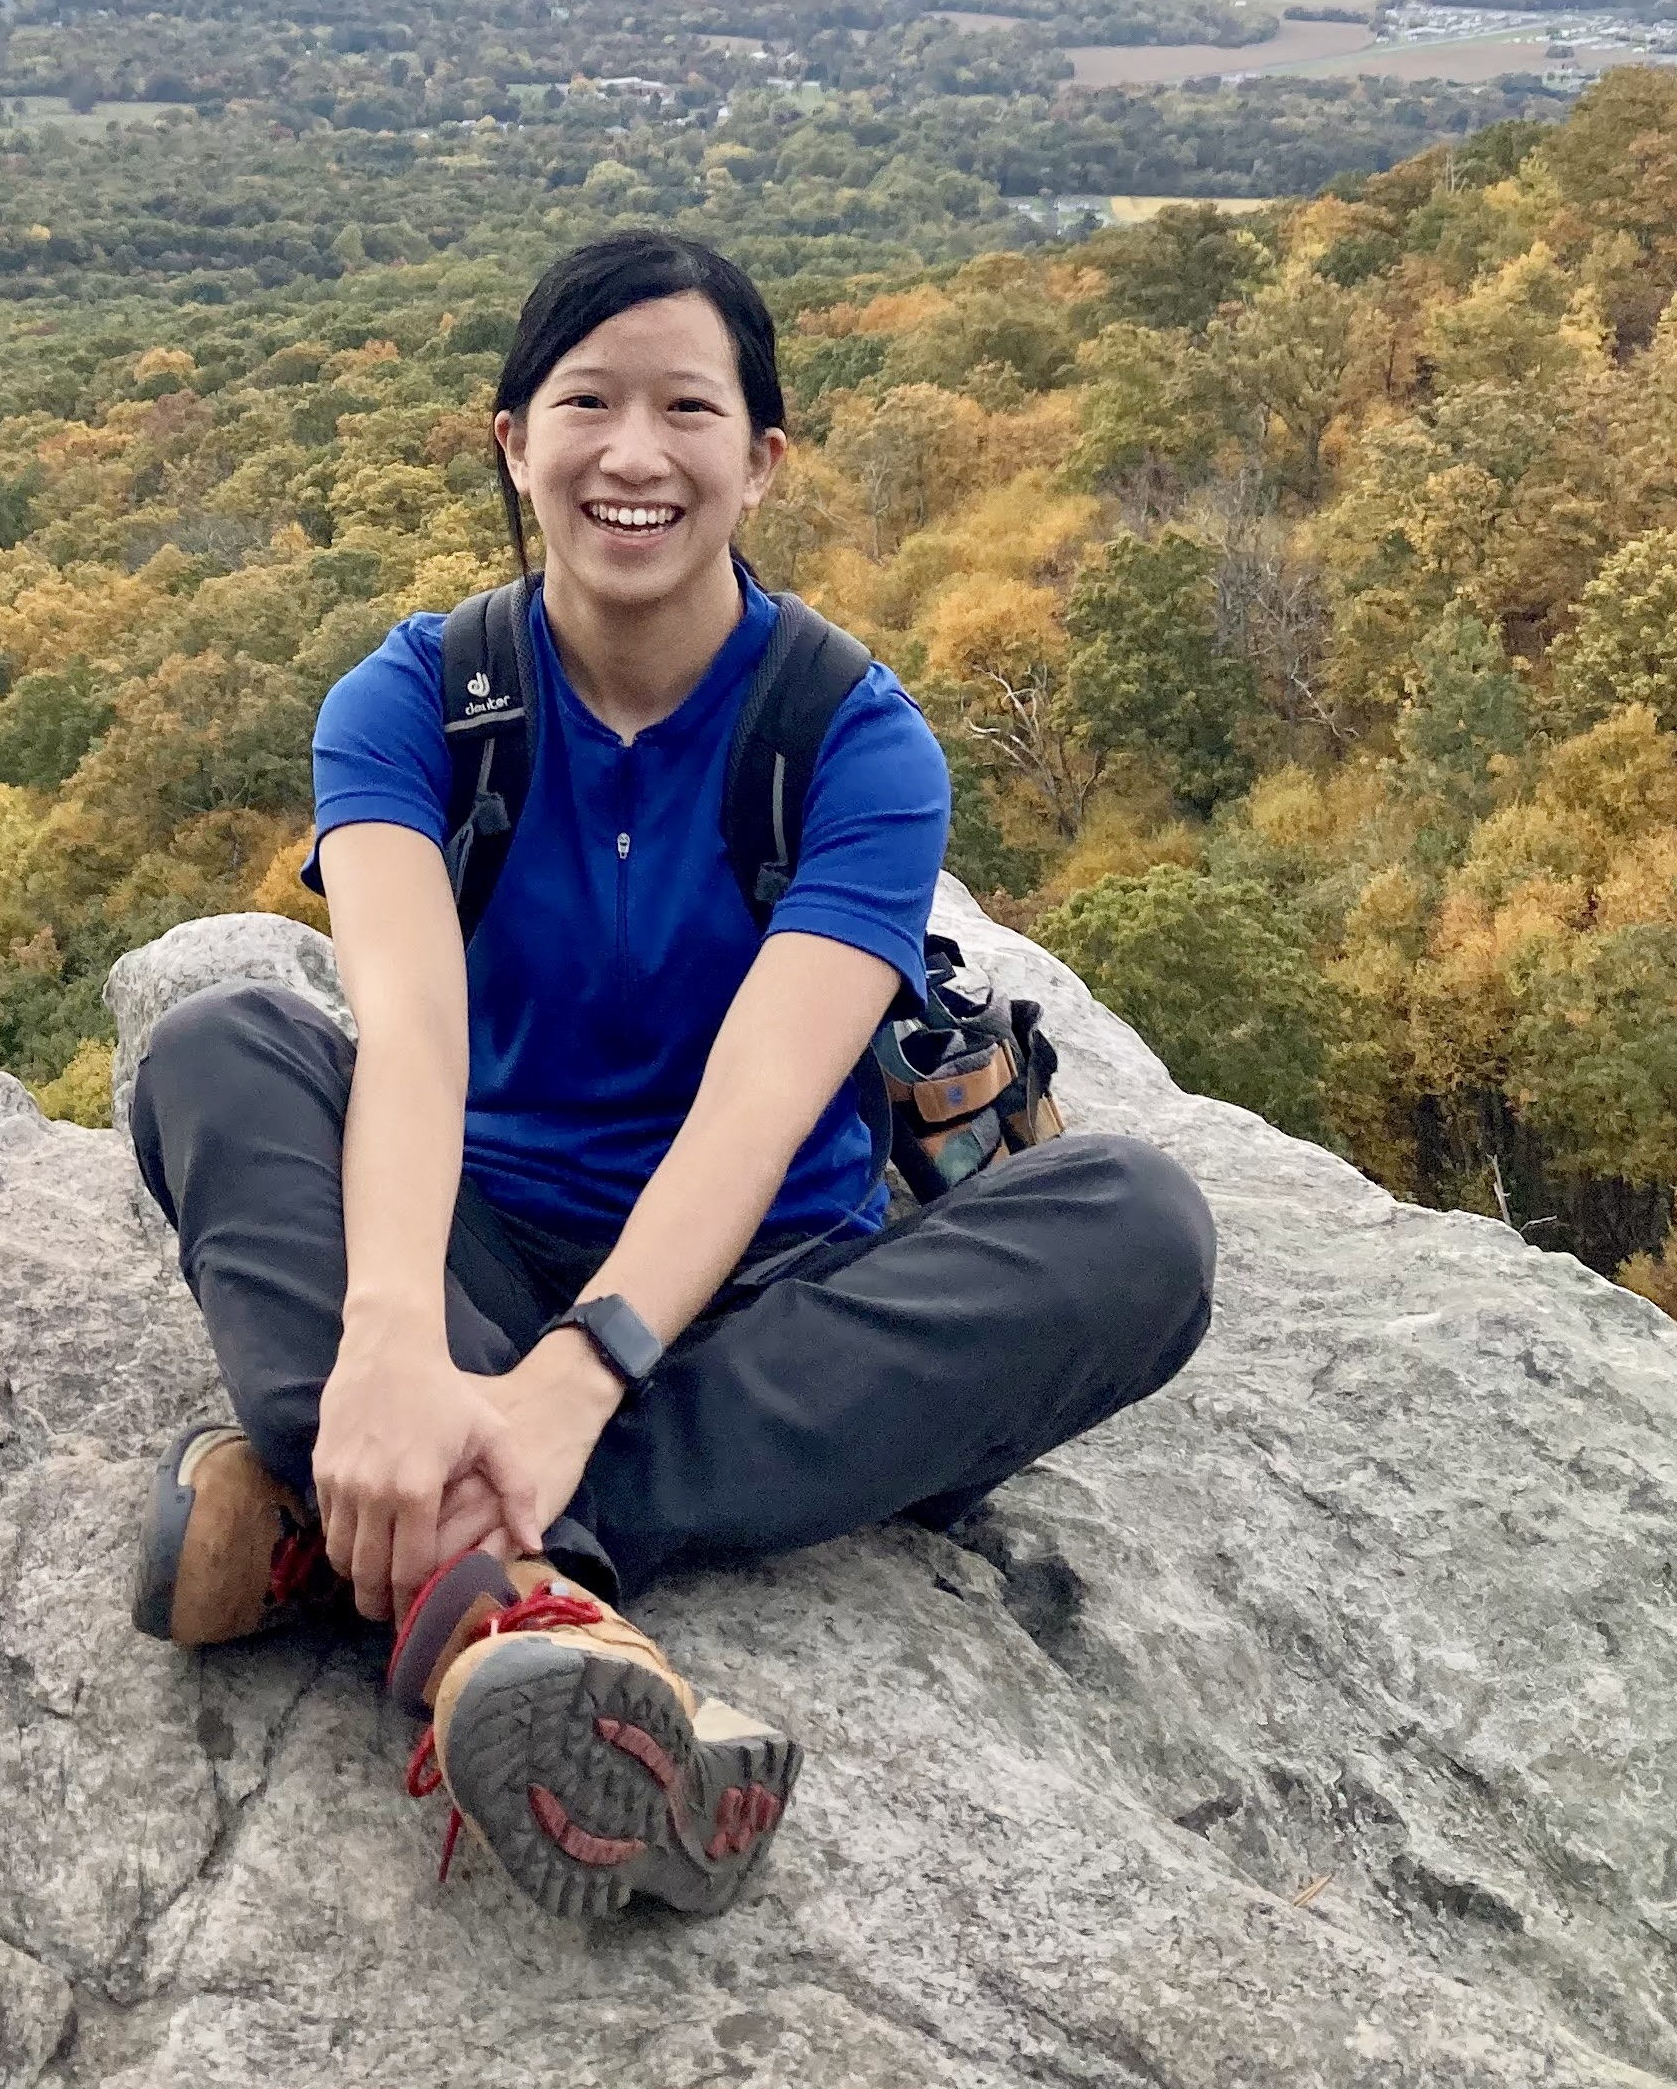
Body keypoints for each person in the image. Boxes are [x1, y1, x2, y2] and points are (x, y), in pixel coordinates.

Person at [128, 229, 1215, 1922]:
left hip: (760, 1298)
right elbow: (406, 1030)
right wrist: (402, 1338)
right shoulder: (416, 705)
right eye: (587, 403)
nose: (634, 454)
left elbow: (766, 1095)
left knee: (1141, 1228)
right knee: (220, 1048)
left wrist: (572, 1385)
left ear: (761, 459)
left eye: (688, 408)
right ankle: (509, 1600)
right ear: (513, 440)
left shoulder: (851, 739)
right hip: (478, 1242)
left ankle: (367, 1537)